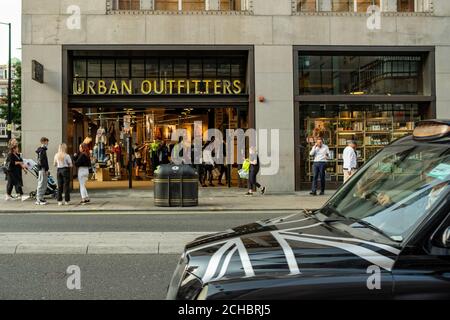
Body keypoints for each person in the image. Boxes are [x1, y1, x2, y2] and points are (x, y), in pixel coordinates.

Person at [35, 137, 50, 205]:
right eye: (47, 142)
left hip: (43, 169)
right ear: (43, 142)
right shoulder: (41, 150)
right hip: (42, 169)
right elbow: (42, 161)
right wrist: (46, 169)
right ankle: (38, 199)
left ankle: (41, 198)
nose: (47, 144)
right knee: (41, 183)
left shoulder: (43, 150)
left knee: (44, 183)